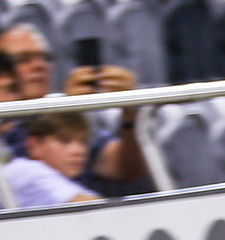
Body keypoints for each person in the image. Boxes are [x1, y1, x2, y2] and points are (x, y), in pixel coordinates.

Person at [0, 24, 148, 193]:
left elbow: (125, 169)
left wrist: (129, 117)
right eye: (23, 59)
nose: (39, 66)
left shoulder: (70, 113)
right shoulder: (7, 127)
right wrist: (63, 111)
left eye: (45, 58)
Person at [4, 112, 103, 207]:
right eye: (64, 141)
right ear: (33, 145)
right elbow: (93, 207)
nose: (79, 151)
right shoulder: (25, 170)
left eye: (83, 142)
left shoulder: (62, 180)